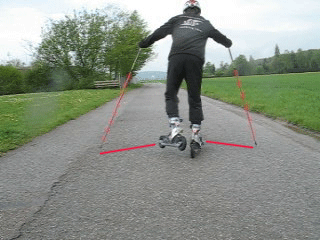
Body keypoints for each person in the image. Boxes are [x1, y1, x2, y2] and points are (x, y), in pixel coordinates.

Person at [139, 0, 232, 148]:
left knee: (171, 93)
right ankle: (195, 132)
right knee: (194, 96)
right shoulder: (205, 23)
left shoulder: (177, 19)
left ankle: (175, 127)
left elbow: (159, 32)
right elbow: (219, 37)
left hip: (177, 57)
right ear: (198, 10)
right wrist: (228, 43)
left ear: (185, 10)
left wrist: (144, 43)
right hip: (195, 59)